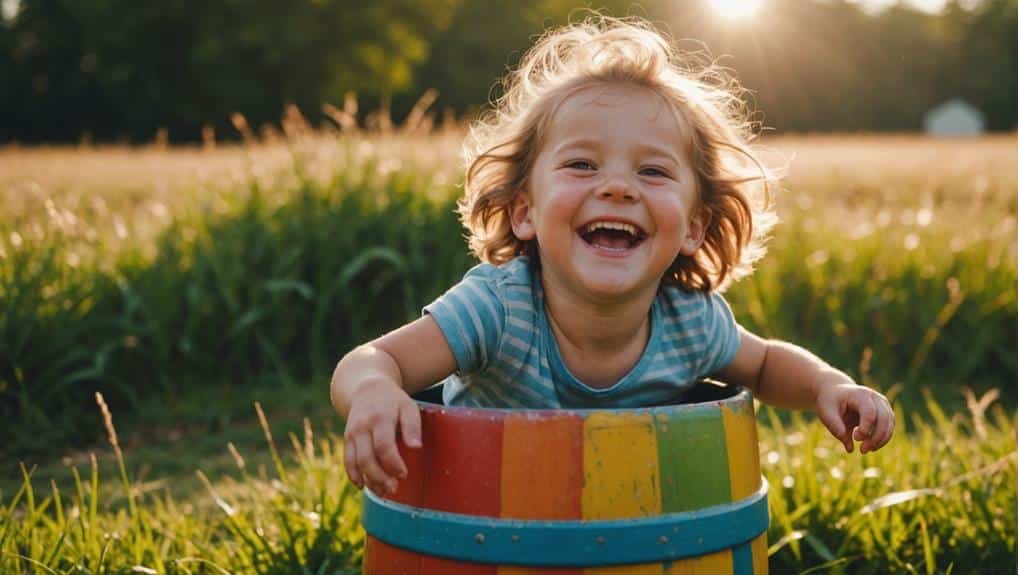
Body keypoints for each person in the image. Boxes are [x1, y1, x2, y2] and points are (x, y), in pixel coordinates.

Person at [330, 16, 895, 497]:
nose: (619, 188)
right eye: (582, 165)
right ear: (525, 210)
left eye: (652, 171)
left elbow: (768, 364)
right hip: (486, 530)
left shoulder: (687, 321)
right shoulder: (499, 308)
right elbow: (373, 359)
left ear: (694, 227)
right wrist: (376, 390)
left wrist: (829, 385)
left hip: (641, 534)